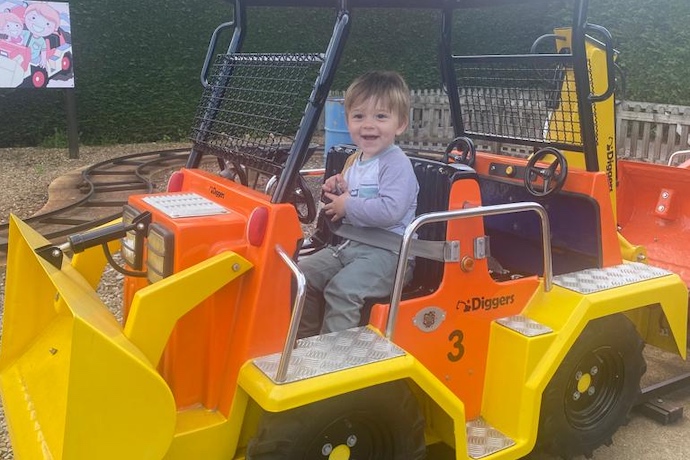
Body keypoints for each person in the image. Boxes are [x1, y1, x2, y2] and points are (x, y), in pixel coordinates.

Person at [297, 70, 419, 338]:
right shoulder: (357, 160)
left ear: (400, 125)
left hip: (389, 254)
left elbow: (390, 210)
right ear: (348, 121)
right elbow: (352, 195)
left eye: (381, 117)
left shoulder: (396, 163)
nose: (368, 125)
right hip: (352, 246)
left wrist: (347, 205)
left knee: (342, 291)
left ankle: (334, 361)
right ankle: (305, 344)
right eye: (359, 116)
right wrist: (338, 187)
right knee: (301, 274)